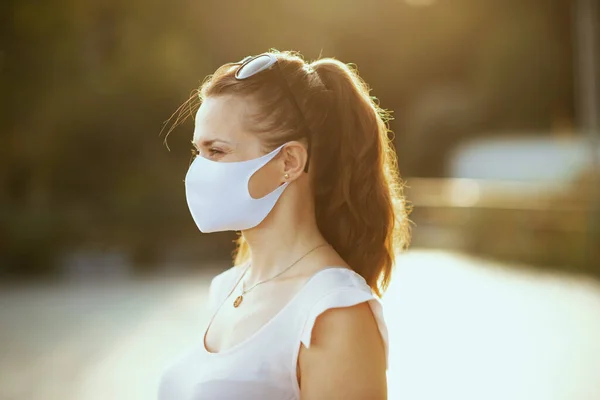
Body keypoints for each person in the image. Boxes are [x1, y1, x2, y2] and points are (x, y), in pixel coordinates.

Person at [158, 50, 410, 399]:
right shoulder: (227, 288)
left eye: (216, 151)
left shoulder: (333, 312)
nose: (199, 170)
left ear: (288, 161)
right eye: (197, 151)